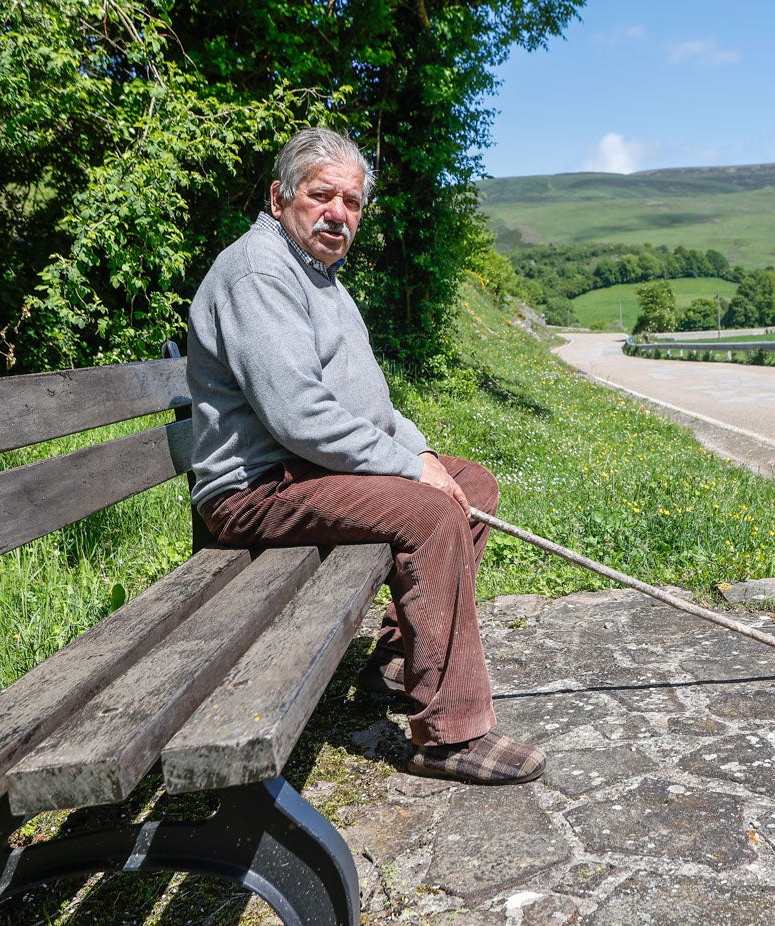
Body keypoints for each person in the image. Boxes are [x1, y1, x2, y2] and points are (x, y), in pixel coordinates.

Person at [186, 127, 544, 785]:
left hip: (302, 471)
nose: (337, 214)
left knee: (472, 486)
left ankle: (393, 662)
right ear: (279, 197)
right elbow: (297, 416)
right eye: (322, 196)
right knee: (430, 514)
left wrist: (425, 453)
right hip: (253, 490)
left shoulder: (320, 279)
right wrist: (412, 472)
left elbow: (367, 405)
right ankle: (447, 737)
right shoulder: (258, 271)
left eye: (351, 202)